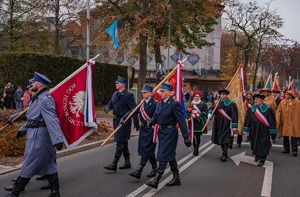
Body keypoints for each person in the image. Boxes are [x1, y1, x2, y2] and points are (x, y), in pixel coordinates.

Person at [6, 72, 64, 197]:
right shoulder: (36, 99)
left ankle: (15, 192)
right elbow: (32, 119)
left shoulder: (45, 100)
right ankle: (55, 192)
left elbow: (52, 120)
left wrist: (58, 139)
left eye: (33, 82)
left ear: (39, 84)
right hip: (35, 135)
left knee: (29, 164)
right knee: (49, 165)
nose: (31, 84)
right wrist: (22, 130)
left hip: (41, 138)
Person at [146, 83, 191, 189]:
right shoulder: (159, 103)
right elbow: (155, 117)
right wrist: (150, 122)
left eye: (162, 91)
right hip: (162, 132)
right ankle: (176, 178)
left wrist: (186, 136)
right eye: (160, 91)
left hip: (170, 132)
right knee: (170, 155)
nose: (160, 93)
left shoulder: (174, 104)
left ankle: (156, 179)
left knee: (163, 154)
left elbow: (181, 121)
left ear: (169, 92)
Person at [104, 76, 139, 171]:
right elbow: (110, 103)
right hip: (116, 120)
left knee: (120, 141)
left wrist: (135, 122)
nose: (116, 84)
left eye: (118, 83)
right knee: (123, 141)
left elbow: (134, 109)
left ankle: (114, 163)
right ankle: (127, 162)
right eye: (116, 83)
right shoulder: (115, 94)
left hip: (124, 121)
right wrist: (107, 107)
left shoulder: (128, 95)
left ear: (123, 84)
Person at [129, 85, 157, 180]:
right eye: (142, 92)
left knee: (146, 150)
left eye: (145, 92)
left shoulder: (154, 104)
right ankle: (155, 169)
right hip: (143, 130)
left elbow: (156, 117)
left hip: (151, 130)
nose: (143, 94)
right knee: (149, 151)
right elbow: (133, 112)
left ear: (150, 93)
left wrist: (150, 122)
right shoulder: (141, 103)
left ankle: (139, 171)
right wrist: (124, 118)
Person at [243, 94, 277, 167]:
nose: (255, 101)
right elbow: (247, 119)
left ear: (261, 101)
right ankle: (257, 154)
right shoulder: (251, 109)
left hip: (264, 130)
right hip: (253, 129)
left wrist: (272, 131)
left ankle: (262, 159)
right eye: (255, 100)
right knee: (254, 143)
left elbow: (271, 121)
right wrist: (246, 128)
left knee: (263, 144)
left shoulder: (268, 109)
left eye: (257, 100)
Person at [209, 89, 238, 162]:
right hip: (218, 123)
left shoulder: (231, 104)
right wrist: (210, 114)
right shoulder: (217, 103)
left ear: (227, 95)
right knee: (221, 138)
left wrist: (234, 125)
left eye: (224, 95)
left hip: (227, 124)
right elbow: (212, 109)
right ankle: (225, 152)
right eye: (221, 95)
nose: (222, 96)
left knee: (225, 138)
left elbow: (234, 115)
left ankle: (224, 154)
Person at [276, 90, 300, 157]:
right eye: (285, 94)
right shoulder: (282, 102)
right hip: (285, 121)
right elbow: (278, 111)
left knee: (294, 136)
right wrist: (278, 119)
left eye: (287, 94)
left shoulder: (297, 102)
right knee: (285, 136)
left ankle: (294, 150)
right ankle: (286, 148)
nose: (285, 95)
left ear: (290, 95)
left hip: (294, 121)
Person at [188, 90, 208, 156]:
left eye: (198, 96)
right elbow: (187, 111)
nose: (197, 97)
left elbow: (206, 112)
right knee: (192, 136)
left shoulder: (203, 104)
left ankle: (196, 149)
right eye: (195, 96)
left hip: (199, 122)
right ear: (193, 97)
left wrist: (200, 114)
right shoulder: (190, 103)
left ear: (200, 97)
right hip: (191, 122)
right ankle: (194, 146)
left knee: (197, 136)